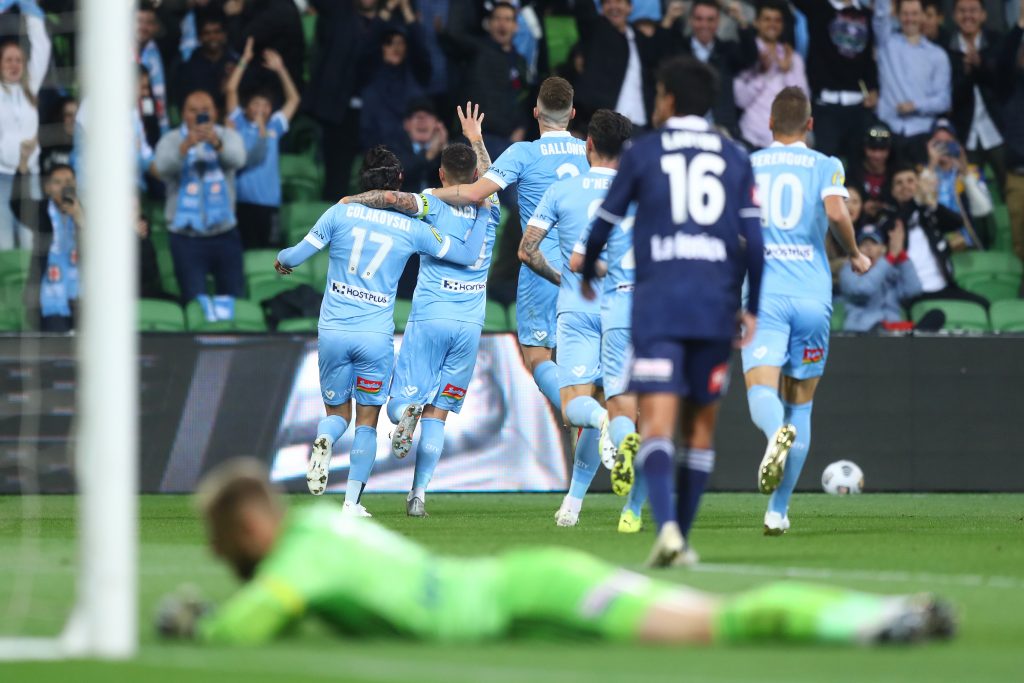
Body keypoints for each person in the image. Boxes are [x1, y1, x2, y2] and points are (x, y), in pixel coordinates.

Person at [158, 459, 956, 646]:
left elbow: (258, 617)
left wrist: (199, 625)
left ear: (251, 528)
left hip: (530, 588)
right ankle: (880, 615)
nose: (223, 552)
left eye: (221, 540)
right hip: (516, 581)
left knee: (710, 625)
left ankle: (879, 617)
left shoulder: (302, 559)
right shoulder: (318, 529)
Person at [580, 57, 764, 567]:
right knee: (700, 430)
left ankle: (666, 532)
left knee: (656, 425)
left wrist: (587, 270)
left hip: (659, 304)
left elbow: (604, 223)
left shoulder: (644, 152)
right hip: (715, 305)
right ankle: (680, 538)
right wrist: (754, 307)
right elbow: (756, 245)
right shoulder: (734, 154)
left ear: (668, 99)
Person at [273, 146, 491, 514]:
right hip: (375, 334)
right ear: (400, 183)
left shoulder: (339, 212)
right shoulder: (413, 227)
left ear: (363, 180)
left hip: (333, 331)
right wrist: (484, 215)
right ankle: (351, 503)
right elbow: (466, 255)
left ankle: (324, 439)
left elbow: (293, 256)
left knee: (338, 413)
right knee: (368, 421)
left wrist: (281, 263)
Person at [338, 104, 501, 518]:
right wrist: (476, 138)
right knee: (439, 414)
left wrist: (352, 200)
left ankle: (404, 412)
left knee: (399, 405)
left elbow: (390, 198)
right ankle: (418, 496)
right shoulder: (493, 207)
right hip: (470, 323)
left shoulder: (431, 201)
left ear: (442, 175)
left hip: (431, 315)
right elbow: (491, 180)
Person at [741, 87, 870, 537]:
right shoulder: (826, 164)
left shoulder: (750, 164)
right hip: (814, 298)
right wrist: (853, 252)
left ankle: (772, 435)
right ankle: (776, 512)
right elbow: (837, 211)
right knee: (803, 409)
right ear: (810, 125)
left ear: (770, 124)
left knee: (761, 390)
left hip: (764, 297)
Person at [425, 77, 589, 416]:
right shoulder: (591, 151)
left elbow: (477, 194)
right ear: (572, 114)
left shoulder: (524, 153)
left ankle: (584, 414)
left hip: (540, 267)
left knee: (537, 356)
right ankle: (596, 421)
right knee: (583, 371)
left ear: (534, 112)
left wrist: (427, 195)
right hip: (587, 267)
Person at [517, 109, 634, 527]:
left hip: (577, 309)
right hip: (624, 309)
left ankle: (601, 427)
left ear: (588, 146)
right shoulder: (640, 193)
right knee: (618, 407)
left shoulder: (562, 191)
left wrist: (561, 274)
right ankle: (574, 503)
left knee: (576, 410)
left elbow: (526, 250)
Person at [154, 90, 247, 311]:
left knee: (232, 299)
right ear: (183, 114)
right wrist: (185, 147)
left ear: (215, 112)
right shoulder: (171, 139)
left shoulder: (228, 135)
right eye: (193, 110)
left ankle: (231, 344)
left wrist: (217, 144)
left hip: (224, 234)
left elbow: (238, 160)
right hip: (186, 237)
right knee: (194, 301)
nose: (199, 115)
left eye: (205, 110)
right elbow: (162, 168)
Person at [226, 39, 301, 250]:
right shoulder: (238, 122)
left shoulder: (274, 126)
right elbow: (231, 90)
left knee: (269, 254)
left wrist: (280, 69)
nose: (261, 108)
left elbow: (293, 100)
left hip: (268, 204)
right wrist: (244, 61)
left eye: (266, 104)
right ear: (246, 107)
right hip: (242, 203)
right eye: (256, 104)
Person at [888, 164, 991, 308]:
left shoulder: (929, 214)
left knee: (983, 304)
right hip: (912, 292)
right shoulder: (889, 218)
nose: (905, 186)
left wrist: (932, 204)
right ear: (892, 192)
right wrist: (917, 200)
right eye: (899, 183)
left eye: (910, 181)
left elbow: (957, 222)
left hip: (944, 288)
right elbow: (902, 219)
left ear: (918, 185)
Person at [789, 0, 877, 164]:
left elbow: (869, 57)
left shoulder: (866, 15)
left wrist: (873, 86)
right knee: (822, 166)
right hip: (825, 106)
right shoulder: (817, 7)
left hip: (858, 106)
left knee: (858, 167)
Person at [438, 2, 530, 157]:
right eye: (497, 18)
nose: (502, 24)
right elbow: (453, 32)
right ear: (488, 24)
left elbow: (524, 98)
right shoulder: (475, 48)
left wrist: (522, 126)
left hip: (506, 141)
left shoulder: (520, 61)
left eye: (508, 19)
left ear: (516, 26)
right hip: (471, 138)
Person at [873, 0, 952, 166]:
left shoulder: (938, 55)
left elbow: (944, 100)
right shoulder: (887, 43)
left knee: (924, 188)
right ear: (898, 15)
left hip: (922, 132)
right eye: (906, 14)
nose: (910, 19)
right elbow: (880, 16)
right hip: (889, 129)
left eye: (915, 14)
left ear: (923, 16)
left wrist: (916, 105)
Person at [572, 0, 672, 129]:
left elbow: (660, 61)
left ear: (630, 7)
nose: (613, 6)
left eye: (619, 2)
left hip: (639, 124)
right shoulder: (596, 31)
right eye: (607, 3)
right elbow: (583, 9)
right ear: (601, 9)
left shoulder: (640, 39)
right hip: (603, 124)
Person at [668, 0, 759, 141]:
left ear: (718, 22)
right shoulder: (679, 50)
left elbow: (751, 57)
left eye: (710, 20)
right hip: (685, 130)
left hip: (722, 130)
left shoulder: (727, 50)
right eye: (699, 19)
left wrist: (741, 21)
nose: (704, 25)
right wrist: (668, 20)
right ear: (691, 20)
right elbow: (654, 57)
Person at [0, 0, 50, 251]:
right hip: (1, 180)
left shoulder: (30, 87)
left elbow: (42, 45)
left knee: (32, 245)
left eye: (18, 60)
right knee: (4, 247)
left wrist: (28, 6)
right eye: (8, 60)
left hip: (29, 178)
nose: (13, 65)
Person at [733, 0, 809, 150]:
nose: (772, 25)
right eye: (767, 19)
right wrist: (763, 74)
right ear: (756, 23)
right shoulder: (745, 54)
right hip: (751, 139)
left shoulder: (793, 58)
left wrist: (787, 71)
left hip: (786, 142)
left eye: (777, 20)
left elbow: (803, 101)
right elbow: (740, 100)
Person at [947, 0, 1006, 193]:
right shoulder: (947, 48)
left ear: (983, 15)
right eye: (962, 11)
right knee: (973, 194)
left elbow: (1003, 86)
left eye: (973, 11)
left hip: (998, 131)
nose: (968, 16)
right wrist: (966, 71)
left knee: (1011, 186)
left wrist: (980, 65)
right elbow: (950, 97)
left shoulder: (997, 42)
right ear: (954, 15)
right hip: (966, 134)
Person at [359, 13, 432, 153]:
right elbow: (366, 47)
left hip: (416, 157)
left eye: (400, 42)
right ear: (381, 47)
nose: (395, 47)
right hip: (381, 159)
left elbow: (422, 51)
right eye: (389, 42)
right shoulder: (369, 77)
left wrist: (406, 10)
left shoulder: (417, 77)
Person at [840, 221, 922, 332]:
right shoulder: (848, 271)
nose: (869, 248)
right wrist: (890, 257)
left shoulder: (890, 272)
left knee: (936, 316)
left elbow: (914, 290)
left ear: (883, 248)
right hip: (861, 333)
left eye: (874, 243)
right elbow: (863, 289)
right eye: (863, 244)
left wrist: (901, 255)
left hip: (893, 332)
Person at [1001, 2, 1024, 281]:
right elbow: (1006, 59)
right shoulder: (1010, 87)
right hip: (1019, 174)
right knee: (1020, 242)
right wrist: (1019, 26)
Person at [175, 14, 238, 113]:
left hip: (233, 118)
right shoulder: (189, 67)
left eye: (217, 32)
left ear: (224, 35)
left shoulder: (235, 62)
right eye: (207, 33)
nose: (212, 37)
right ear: (200, 38)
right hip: (201, 118)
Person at [393, 99, 448, 193]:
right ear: (406, 124)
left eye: (428, 116)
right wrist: (430, 153)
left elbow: (459, 178)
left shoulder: (447, 151)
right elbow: (397, 174)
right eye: (416, 116)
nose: (422, 120)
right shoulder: (393, 149)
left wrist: (446, 150)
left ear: (437, 124)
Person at [848, 123, 896, 224]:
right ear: (864, 148)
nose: (877, 155)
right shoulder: (851, 174)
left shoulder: (896, 174)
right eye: (873, 149)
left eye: (882, 149)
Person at [137, 1, 170, 135]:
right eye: (139, 21)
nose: (144, 27)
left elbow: (173, 28)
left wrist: (158, 5)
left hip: (154, 121)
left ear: (156, 27)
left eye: (149, 23)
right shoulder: (116, 51)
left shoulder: (162, 49)